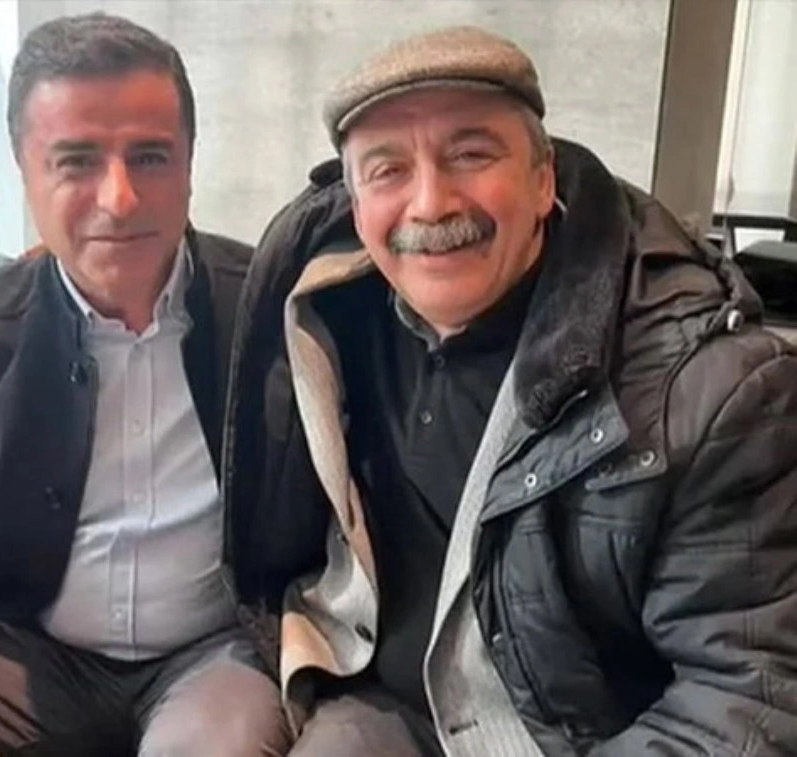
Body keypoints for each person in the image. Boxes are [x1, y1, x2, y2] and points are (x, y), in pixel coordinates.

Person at [222, 25, 797, 757]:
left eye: (470, 154)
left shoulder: (714, 389)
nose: (430, 204)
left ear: (543, 178)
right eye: (387, 169)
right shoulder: (323, 314)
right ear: (354, 204)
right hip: (383, 705)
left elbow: (747, 696)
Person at [0, 13, 299, 757]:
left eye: (150, 157)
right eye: (76, 161)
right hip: (24, 647)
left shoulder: (277, 310)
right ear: (25, 171)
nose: (120, 198)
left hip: (213, 655)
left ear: (189, 163)